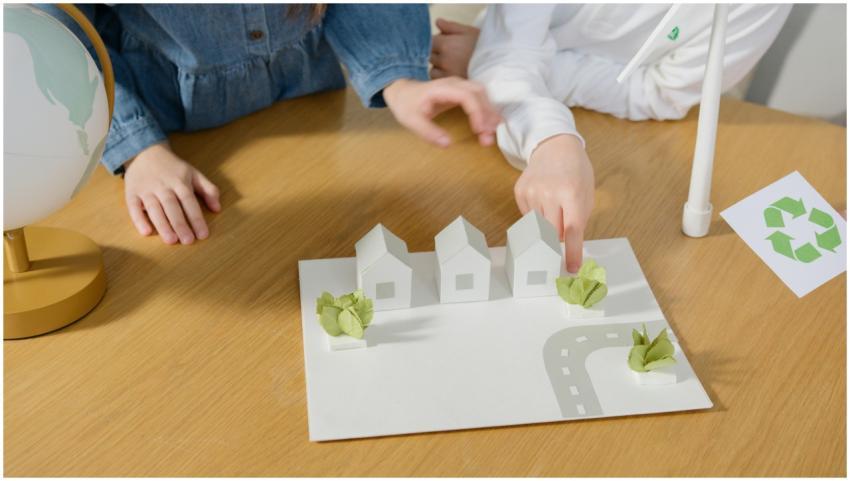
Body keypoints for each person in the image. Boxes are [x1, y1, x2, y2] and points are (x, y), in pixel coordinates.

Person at [44, 4, 500, 245]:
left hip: (312, 102)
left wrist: (398, 80)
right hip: (163, 118)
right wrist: (137, 148)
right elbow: (58, 29)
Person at [431, 4, 791, 272]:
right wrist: (552, 139)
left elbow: (661, 93)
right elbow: (512, 52)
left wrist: (497, 60)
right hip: (481, 108)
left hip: (630, 136)